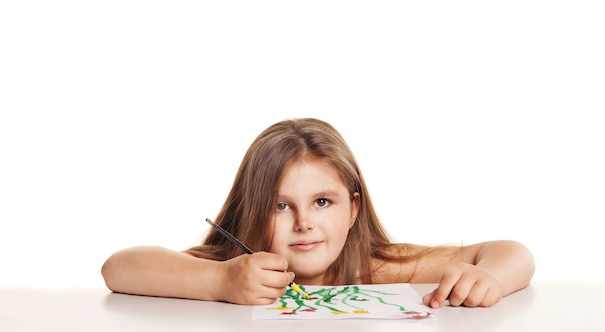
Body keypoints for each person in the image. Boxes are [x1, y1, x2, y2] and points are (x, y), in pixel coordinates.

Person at [102, 118, 534, 307]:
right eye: (280, 205)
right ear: (252, 208)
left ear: (353, 210)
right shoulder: (233, 270)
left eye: (322, 202)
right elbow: (118, 269)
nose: (304, 222)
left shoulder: (374, 267)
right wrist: (219, 281)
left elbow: (511, 252)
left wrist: (490, 277)